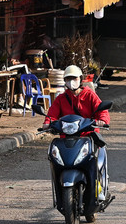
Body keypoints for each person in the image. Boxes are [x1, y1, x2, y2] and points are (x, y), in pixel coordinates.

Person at [43, 65, 112, 200]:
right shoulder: (61, 98)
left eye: (74, 78)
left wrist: (102, 120)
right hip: (66, 139)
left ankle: (99, 187)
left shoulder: (90, 95)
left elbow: (102, 111)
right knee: (56, 160)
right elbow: (52, 115)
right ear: (65, 81)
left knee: (95, 161)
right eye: (68, 79)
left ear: (80, 79)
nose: (71, 81)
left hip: (88, 137)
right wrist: (47, 123)